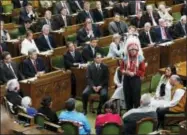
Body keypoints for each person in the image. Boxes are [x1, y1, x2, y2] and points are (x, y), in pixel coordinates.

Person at [120, 36, 146, 111]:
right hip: (127, 79)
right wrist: (124, 72)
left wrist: (134, 73)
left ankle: (137, 111)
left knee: (136, 96)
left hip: (136, 79)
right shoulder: (125, 58)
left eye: (134, 50)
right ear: (128, 50)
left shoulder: (140, 58)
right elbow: (121, 68)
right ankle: (129, 111)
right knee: (127, 95)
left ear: (137, 50)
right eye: (131, 50)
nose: (133, 51)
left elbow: (142, 71)